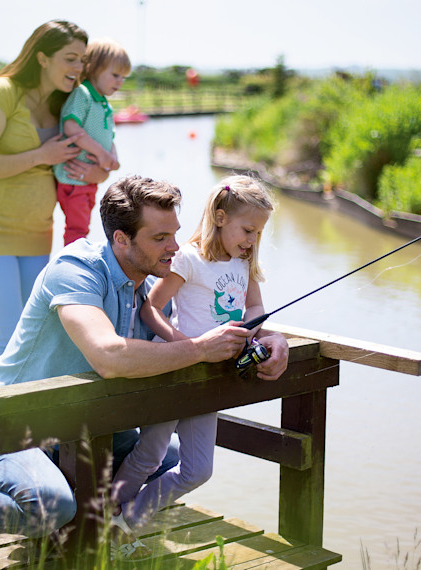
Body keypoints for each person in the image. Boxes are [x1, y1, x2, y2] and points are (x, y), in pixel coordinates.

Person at [0, 175, 290, 567]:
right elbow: (108, 356)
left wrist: (273, 338)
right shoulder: (75, 269)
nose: (176, 247)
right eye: (160, 238)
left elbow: (226, 312)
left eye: (175, 234)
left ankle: (87, 528)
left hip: (75, 430)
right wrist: (199, 350)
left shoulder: (144, 289)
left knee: (169, 459)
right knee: (51, 503)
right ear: (121, 240)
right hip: (6, 427)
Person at [109, 175, 277, 559]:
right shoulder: (189, 257)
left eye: (258, 232)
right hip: (177, 369)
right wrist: (187, 346)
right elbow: (151, 306)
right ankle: (102, 517)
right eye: (247, 229)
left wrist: (253, 330)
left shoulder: (244, 261)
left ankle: (126, 519)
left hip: (211, 375)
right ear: (220, 217)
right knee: (149, 455)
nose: (252, 239)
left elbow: (254, 307)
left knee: (199, 469)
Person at [0, 20, 109, 367]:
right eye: (70, 58)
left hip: (38, 234)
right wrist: (42, 156)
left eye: (82, 60)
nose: (78, 68)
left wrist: (96, 170)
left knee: (35, 335)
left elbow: (99, 164)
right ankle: (1, 420)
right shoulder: (1, 92)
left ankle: (29, 420)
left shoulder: (69, 102)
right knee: (9, 336)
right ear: (42, 58)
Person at [53, 38, 130, 245]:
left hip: (87, 179)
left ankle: (77, 257)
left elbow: (110, 137)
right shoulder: (83, 94)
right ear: (94, 69)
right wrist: (101, 154)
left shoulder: (104, 104)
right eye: (115, 75)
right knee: (77, 227)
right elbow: (71, 127)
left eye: (123, 77)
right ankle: (72, 263)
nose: (119, 82)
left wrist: (113, 157)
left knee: (84, 225)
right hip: (73, 177)